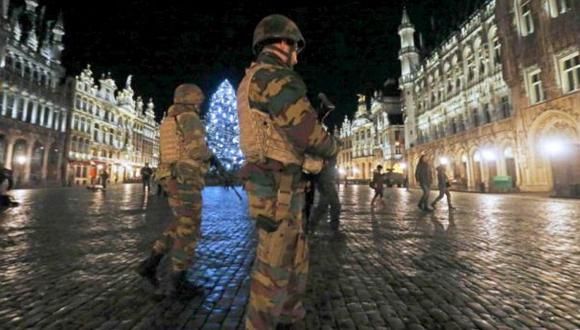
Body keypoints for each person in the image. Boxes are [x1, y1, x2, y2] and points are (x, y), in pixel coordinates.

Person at [237, 14, 339, 329]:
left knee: (293, 258)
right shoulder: (277, 77)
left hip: (274, 183)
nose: (296, 54)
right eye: (295, 46)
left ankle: (288, 319)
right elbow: (305, 132)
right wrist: (332, 146)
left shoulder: (253, 77)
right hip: (278, 187)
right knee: (274, 268)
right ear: (283, 43)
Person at [136, 83, 211, 299]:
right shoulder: (189, 118)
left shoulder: (169, 120)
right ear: (191, 100)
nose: (200, 104)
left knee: (179, 223)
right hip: (185, 177)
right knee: (189, 227)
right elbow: (197, 149)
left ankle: (151, 263)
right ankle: (178, 281)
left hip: (170, 176)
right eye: (198, 100)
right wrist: (210, 155)